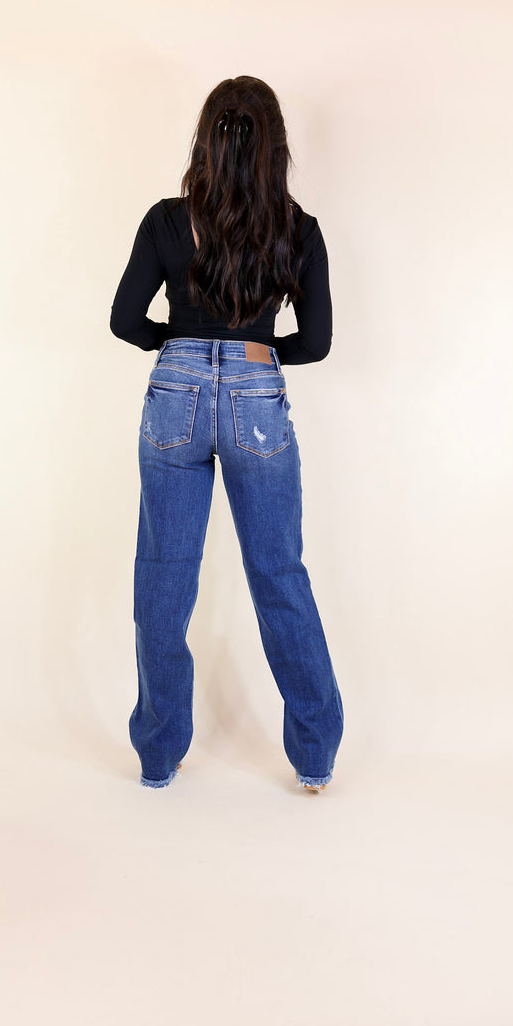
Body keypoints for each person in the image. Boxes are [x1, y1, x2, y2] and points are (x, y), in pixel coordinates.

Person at [110, 75, 344, 792]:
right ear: (275, 148)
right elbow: (317, 342)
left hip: (175, 391)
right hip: (256, 392)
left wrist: (179, 345)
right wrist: (257, 352)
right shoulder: (298, 229)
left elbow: (124, 320)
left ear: (206, 140)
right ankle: (314, 760)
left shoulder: (165, 220)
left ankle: (158, 757)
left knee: (164, 574)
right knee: (279, 574)